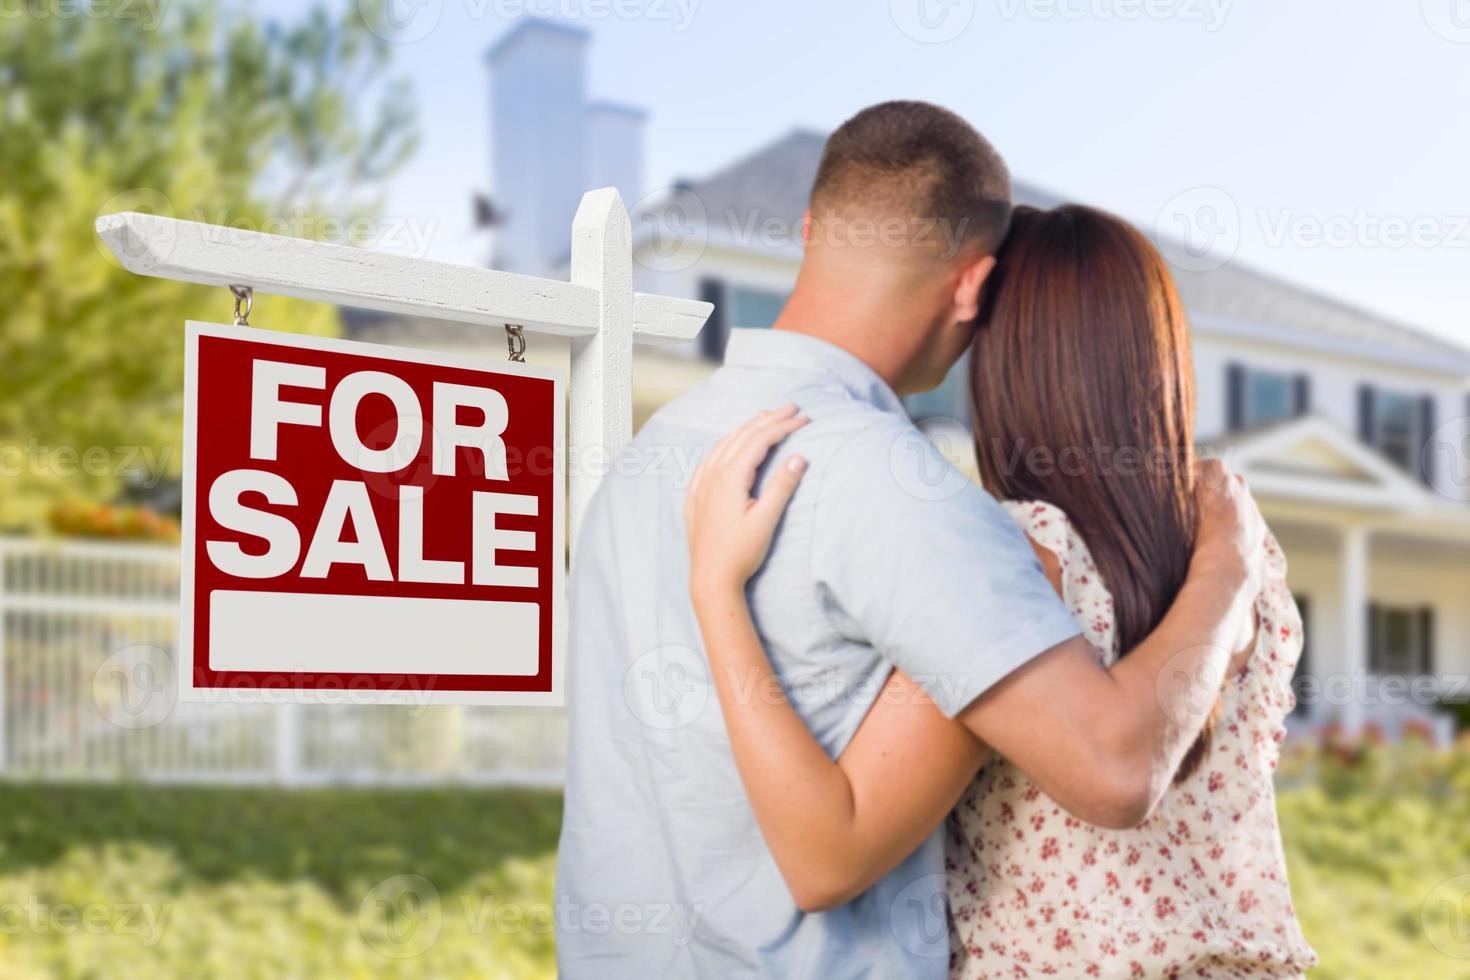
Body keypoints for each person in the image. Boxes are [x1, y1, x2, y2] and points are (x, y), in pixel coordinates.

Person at [556, 101, 1264, 978]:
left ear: (813, 228)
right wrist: (1230, 565)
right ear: (972, 287)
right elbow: (1116, 771)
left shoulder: (644, 463)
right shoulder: (903, 490)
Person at [682, 204, 1315, 977]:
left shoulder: (1022, 557)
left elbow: (828, 854)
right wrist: (1228, 567)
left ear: (1008, 365)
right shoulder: (1245, 552)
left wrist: (715, 586)